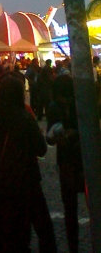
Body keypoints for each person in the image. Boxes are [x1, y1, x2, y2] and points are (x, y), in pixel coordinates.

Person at [0, 76, 56, 253]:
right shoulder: (25, 119)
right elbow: (41, 149)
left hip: (2, 183)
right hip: (27, 181)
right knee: (42, 227)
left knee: (6, 229)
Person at [47, 74, 84, 253]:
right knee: (71, 207)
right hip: (74, 160)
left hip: (72, 160)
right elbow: (50, 136)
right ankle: (73, 245)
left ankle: (73, 245)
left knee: (70, 207)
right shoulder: (77, 104)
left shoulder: (72, 105)